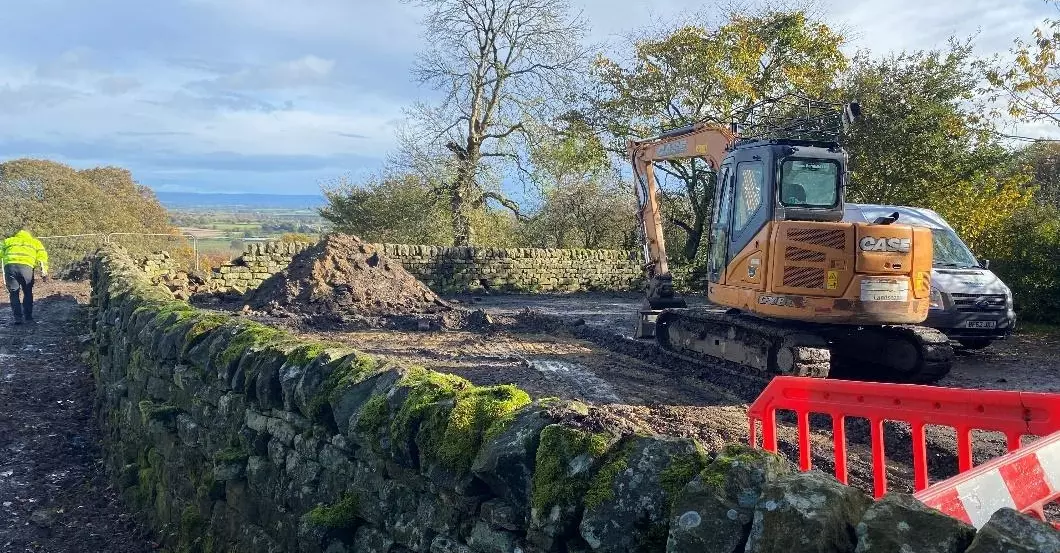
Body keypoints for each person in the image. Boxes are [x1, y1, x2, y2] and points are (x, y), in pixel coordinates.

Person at [2, 227, 49, 324]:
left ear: (16, 234)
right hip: (26, 268)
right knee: (27, 291)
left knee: (14, 293)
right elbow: (42, 258)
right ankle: (28, 317)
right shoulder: (35, 242)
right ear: (29, 234)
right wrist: (44, 272)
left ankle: (17, 318)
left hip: (10, 267)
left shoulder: (8, 241)